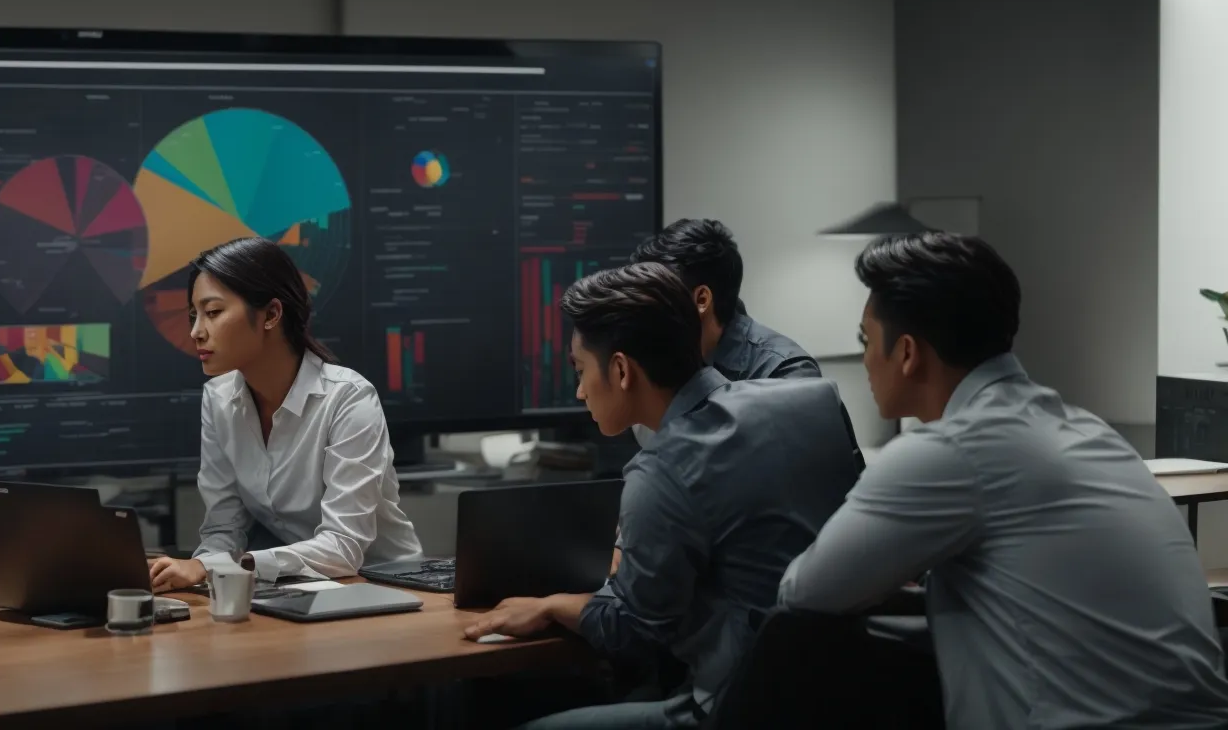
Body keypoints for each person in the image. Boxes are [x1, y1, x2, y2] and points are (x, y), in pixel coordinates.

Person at [779, 233, 1228, 728]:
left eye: (867, 341)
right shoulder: (1087, 428)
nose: (865, 359)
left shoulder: (950, 452)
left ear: (907, 353)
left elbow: (804, 593)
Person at [467, 262, 860, 729]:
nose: (579, 391)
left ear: (620, 370)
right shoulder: (812, 402)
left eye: (580, 369)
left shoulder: (662, 469)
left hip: (738, 708)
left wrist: (550, 605)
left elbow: (632, 630)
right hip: (851, 693)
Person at [147, 237, 423, 591]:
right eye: (193, 316)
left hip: (388, 588)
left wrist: (217, 567)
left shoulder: (348, 399)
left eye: (213, 312)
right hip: (295, 588)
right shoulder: (217, 399)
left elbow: (344, 548)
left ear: (272, 315)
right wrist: (187, 573)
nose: (196, 332)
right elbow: (223, 530)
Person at [629, 218, 818, 381]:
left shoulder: (784, 373)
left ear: (702, 300)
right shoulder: (669, 357)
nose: (645, 309)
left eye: (656, 296)